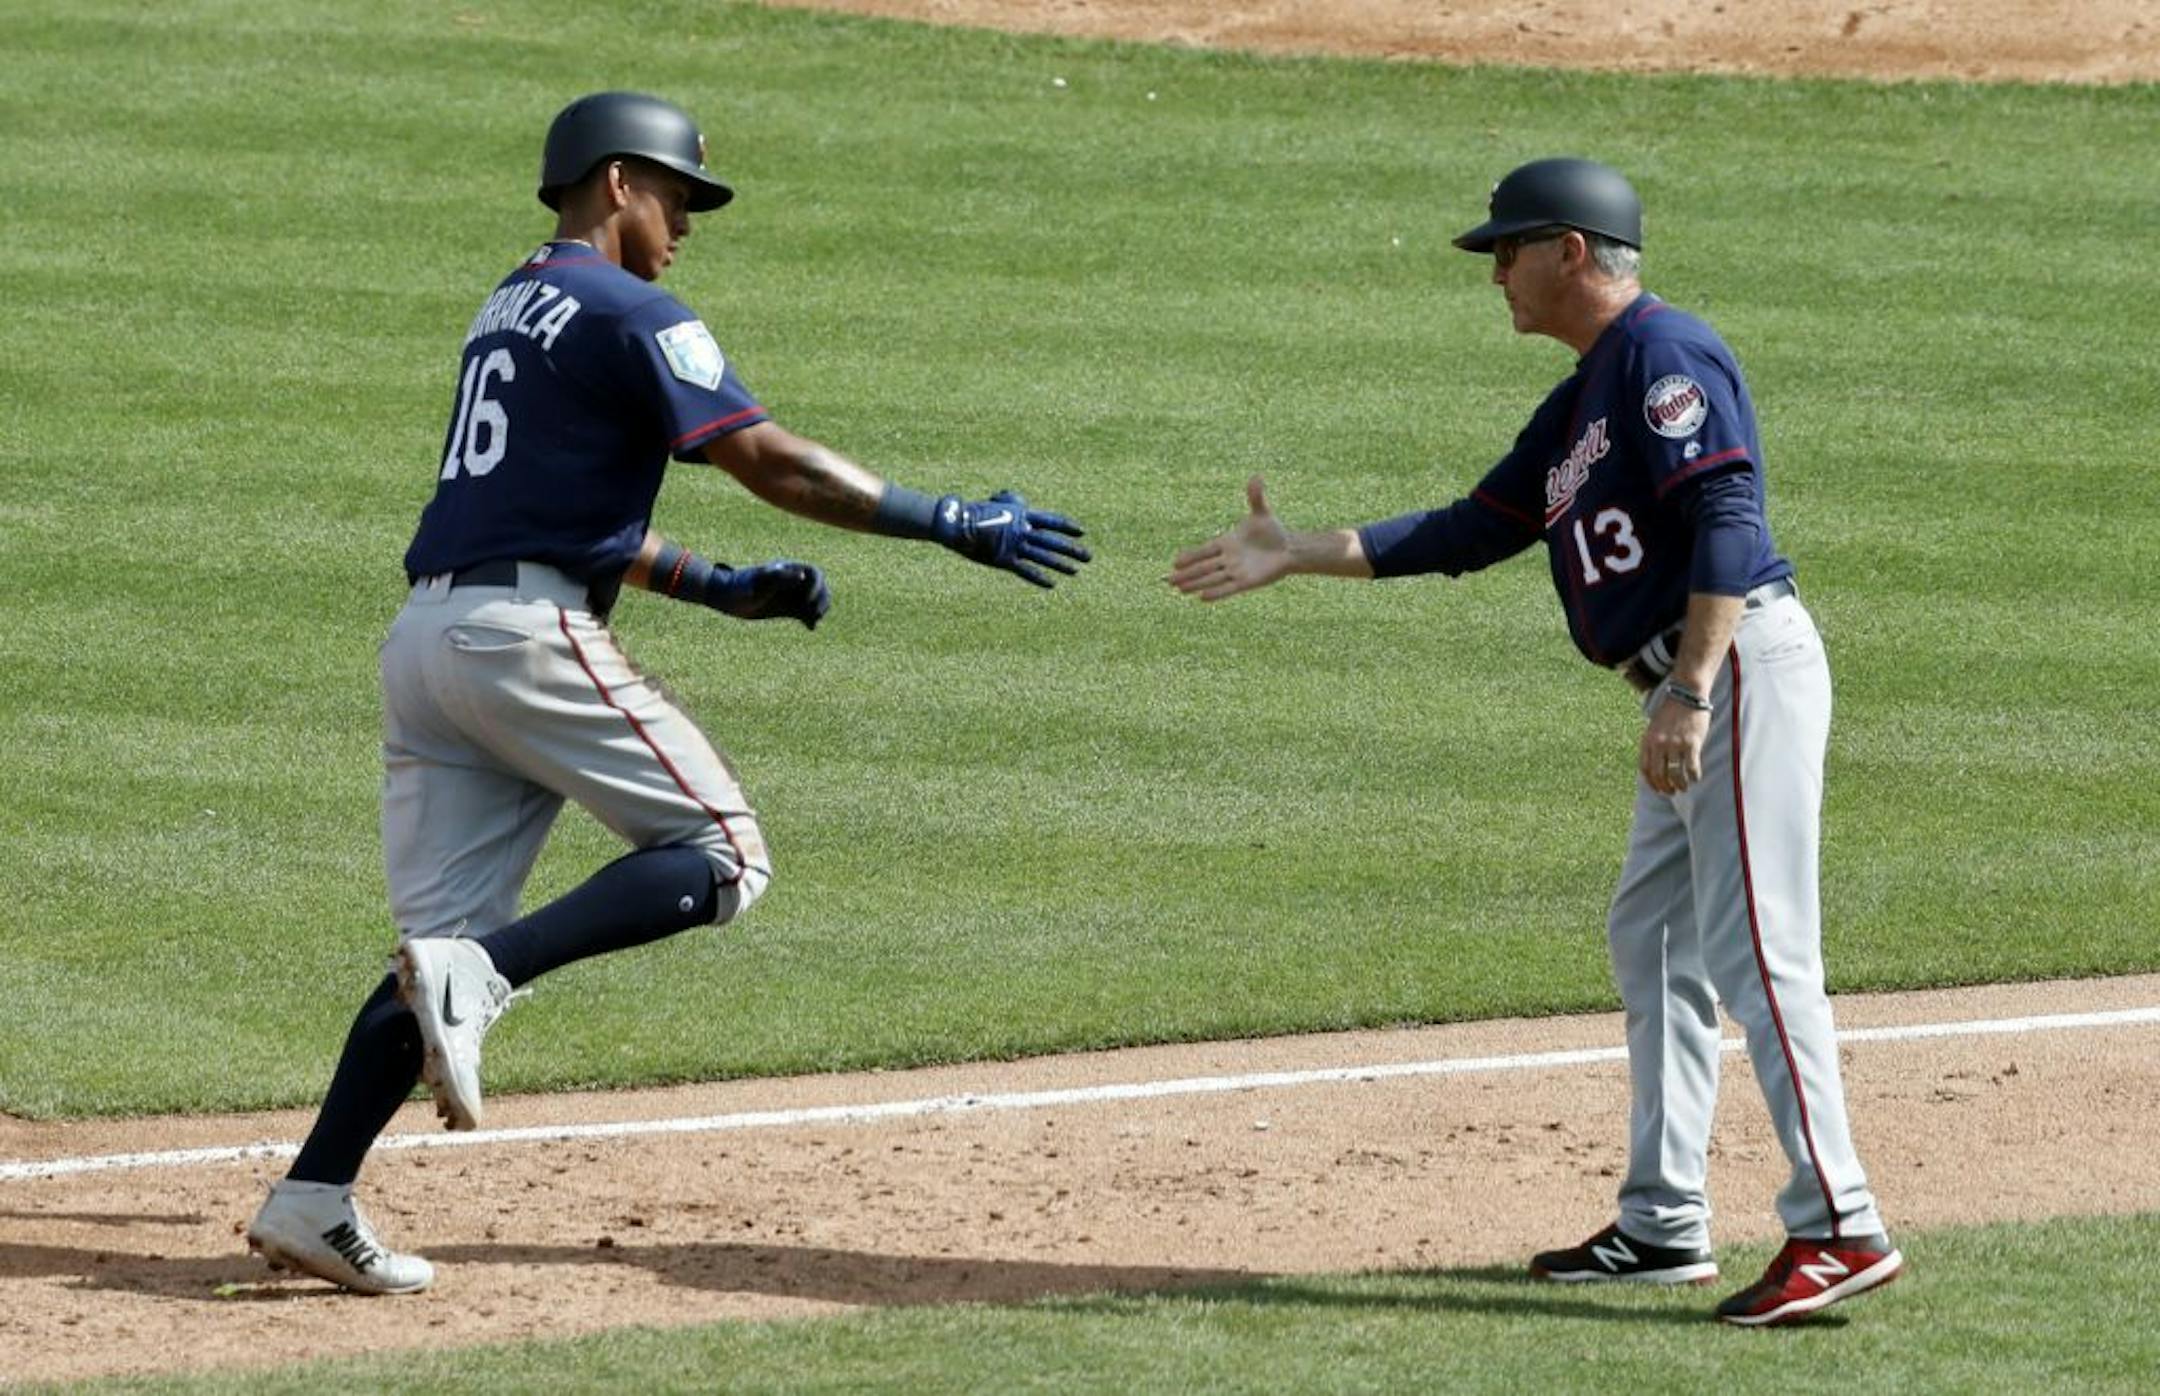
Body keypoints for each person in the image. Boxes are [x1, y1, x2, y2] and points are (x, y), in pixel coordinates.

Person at [245, 91, 1092, 1295]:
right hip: (523, 639)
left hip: (431, 642)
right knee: (722, 852)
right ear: (619, 183)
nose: (687, 221)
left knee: (431, 956)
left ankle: (312, 1195)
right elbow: (770, 458)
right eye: (679, 194)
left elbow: (558, 512)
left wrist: (720, 588)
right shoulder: (628, 306)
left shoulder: (511, 308)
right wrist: (947, 519)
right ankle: (481, 981)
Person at [1168, 157, 1899, 1326]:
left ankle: (1840, 1222)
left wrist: (1694, 690)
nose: (1494, 271)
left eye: (1506, 249)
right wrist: (1299, 548)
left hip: (1732, 666)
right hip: (1691, 678)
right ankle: (1664, 1224)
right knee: (1652, 940)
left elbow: (1727, 516)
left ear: (1570, 249)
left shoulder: (1663, 356)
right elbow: (1474, 527)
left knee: (1758, 951)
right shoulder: (1584, 392)